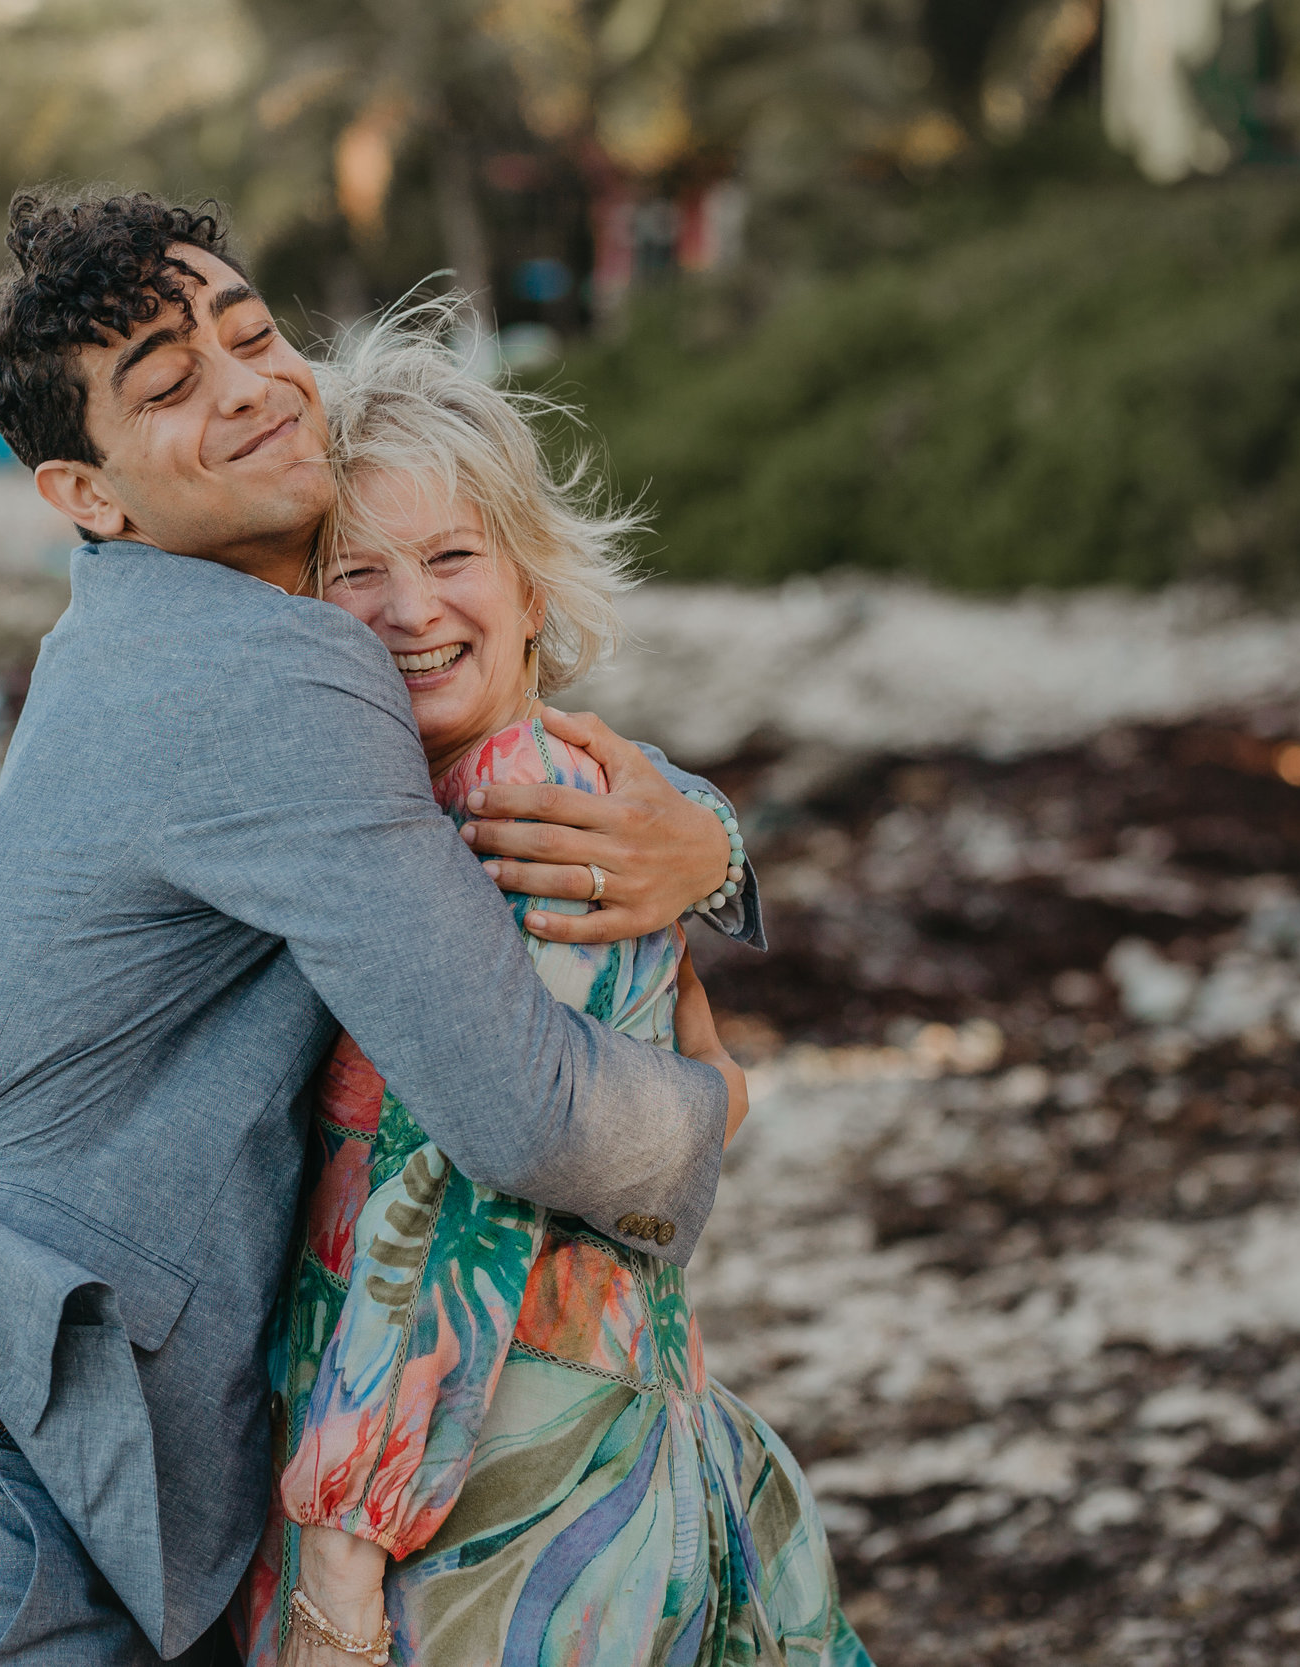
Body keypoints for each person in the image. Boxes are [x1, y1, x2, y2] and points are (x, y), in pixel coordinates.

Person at [0, 189, 762, 1667]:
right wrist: (715, 1108)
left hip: (2, 1430)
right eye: (170, 388)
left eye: (253, 333)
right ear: (87, 496)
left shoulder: (151, 621)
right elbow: (521, 1113)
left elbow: (492, 758)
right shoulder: (267, 672)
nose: (246, 386)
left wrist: (711, 840)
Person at [215, 307, 870, 1666]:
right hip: (472, 1449)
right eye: (358, 572)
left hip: (498, 1488)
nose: (411, 609)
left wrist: (342, 1544)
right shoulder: (402, 816)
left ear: (528, 580)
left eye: (453, 557)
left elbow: (461, 1188)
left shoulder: (533, 807)